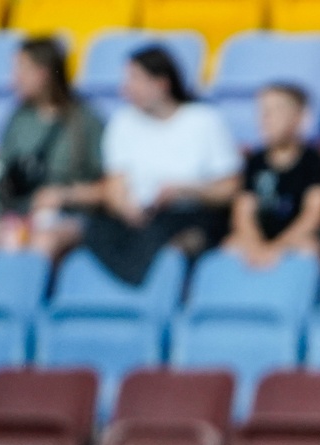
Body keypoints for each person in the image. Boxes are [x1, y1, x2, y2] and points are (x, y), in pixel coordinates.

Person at [59, 46, 238, 280]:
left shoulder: (204, 120)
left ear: (161, 83)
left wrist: (184, 191)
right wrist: (126, 207)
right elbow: (115, 183)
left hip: (190, 213)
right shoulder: (122, 122)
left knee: (184, 239)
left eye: (135, 79)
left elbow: (229, 188)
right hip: (138, 218)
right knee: (96, 230)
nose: (126, 88)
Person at [0, 36, 103, 252]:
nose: (12, 81)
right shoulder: (19, 118)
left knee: (41, 244)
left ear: (43, 74)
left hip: (70, 216)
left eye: (21, 72)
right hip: (20, 214)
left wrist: (62, 196)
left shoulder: (86, 120)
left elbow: (107, 188)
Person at [225, 82, 320, 267]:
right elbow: (243, 212)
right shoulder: (255, 161)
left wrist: (277, 247)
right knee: (230, 248)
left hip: (296, 236)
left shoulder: (313, 160)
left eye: (275, 111)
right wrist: (256, 246)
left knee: (307, 250)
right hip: (263, 234)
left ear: (300, 118)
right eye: (262, 111)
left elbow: (314, 215)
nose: (265, 119)